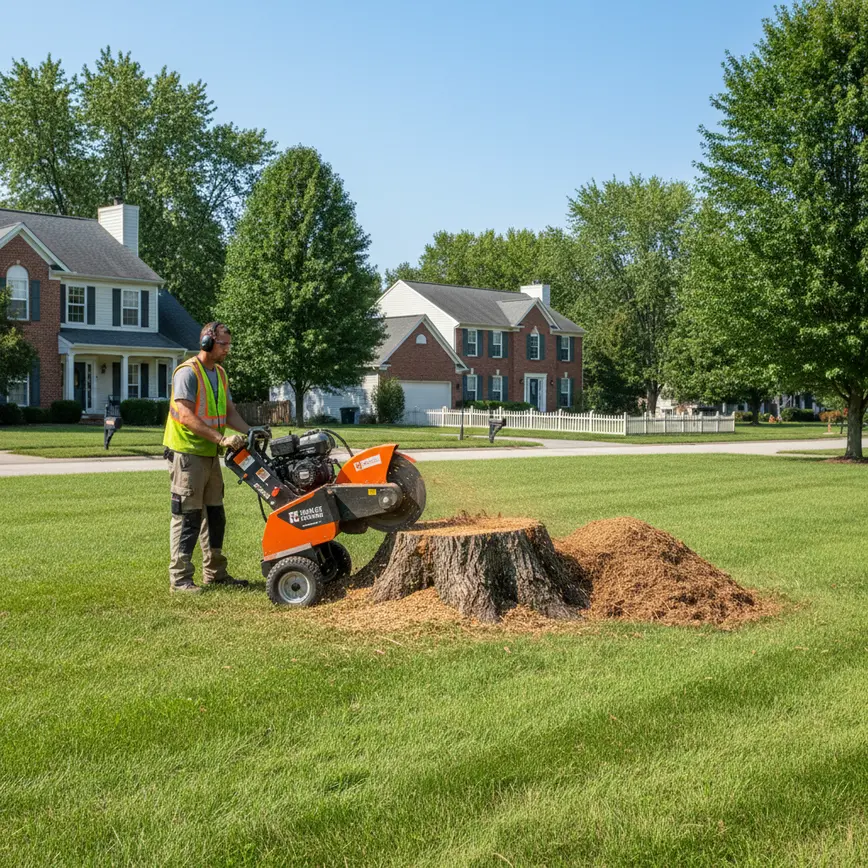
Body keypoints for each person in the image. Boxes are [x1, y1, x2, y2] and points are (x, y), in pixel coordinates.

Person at [162, 322, 251, 593]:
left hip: (210, 454)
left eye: (229, 344)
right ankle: (180, 579)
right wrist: (222, 439)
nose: (227, 350)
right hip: (187, 454)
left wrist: (251, 431)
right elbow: (186, 415)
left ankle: (215, 573)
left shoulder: (220, 374)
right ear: (207, 343)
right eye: (223, 344)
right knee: (187, 516)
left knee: (215, 514)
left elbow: (228, 412)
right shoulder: (187, 372)